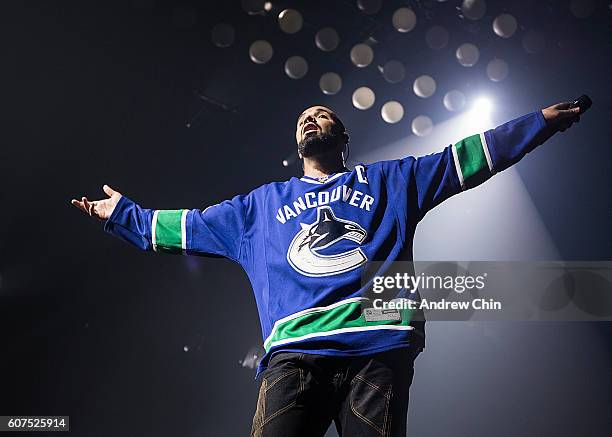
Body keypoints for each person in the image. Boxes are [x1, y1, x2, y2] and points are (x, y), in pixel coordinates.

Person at [72, 101, 582, 437]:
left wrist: (537, 124)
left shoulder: (390, 182)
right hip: (294, 359)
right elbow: (186, 227)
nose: (310, 120)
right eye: (303, 119)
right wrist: (122, 215)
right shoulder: (258, 208)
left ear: (343, 135)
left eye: (322, 115)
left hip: (375, 354)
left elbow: (462, 160)